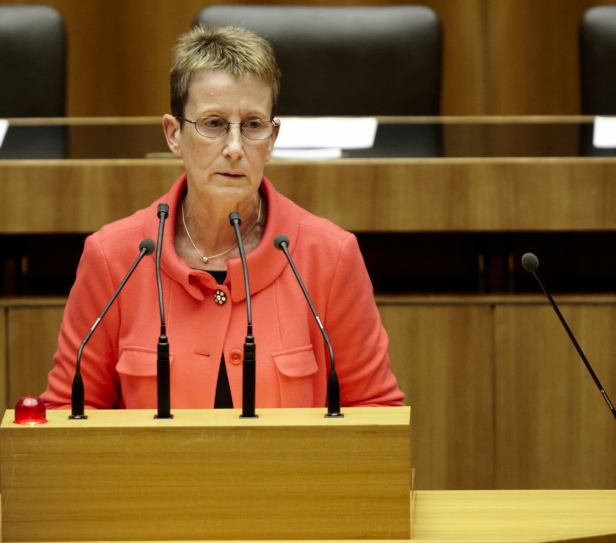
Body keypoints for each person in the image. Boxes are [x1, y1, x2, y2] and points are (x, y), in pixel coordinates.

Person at [41, 25, 404, 409]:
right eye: (213, 124)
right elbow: (71, 413)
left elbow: (375, 411)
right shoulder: (114, 258)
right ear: (173, 134)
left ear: (272, 139)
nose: (234, 147)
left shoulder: (329, 257)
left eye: (252, 125)